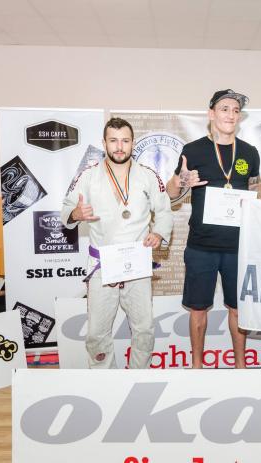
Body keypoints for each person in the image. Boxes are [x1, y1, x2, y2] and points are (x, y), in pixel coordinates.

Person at [61, 117, 173, 369]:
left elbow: (164, 211)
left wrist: (158, 233)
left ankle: (138, 375)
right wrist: (75, 214)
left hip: (137, 262)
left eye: (125, 141)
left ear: (133, 142)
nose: (119, 147)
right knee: (96, 332)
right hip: (102, 264)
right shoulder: (88, 176)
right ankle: (106, 379)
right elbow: (66, 209)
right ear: (104, 143)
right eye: (113, 141)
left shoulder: (148, 175)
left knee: (144, 328)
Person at [166, 89, 261, 368]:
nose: (231, 115)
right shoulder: (193, 150)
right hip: (201, 246)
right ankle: (197, 367)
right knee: (198, 310)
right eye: (224, 109)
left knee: (238, 309)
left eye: (235, 110)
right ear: (211, 114)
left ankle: (240, 367)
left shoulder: (249, 152)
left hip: (238, 246)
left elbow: (258, 187)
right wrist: (181, 181)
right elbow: (171, 195)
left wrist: (256, 197)